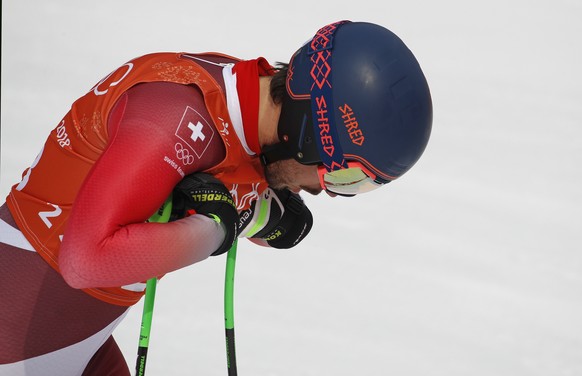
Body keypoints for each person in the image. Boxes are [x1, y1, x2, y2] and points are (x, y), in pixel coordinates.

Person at [0, 20, 432, 375]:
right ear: (309, 134)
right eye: (345, 177)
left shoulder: (247, 106)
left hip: (64, 343)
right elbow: (85, 261)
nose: (328, 192)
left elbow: (223, 192)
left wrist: (253, 217)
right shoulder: (174, 117)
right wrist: (216, 228)